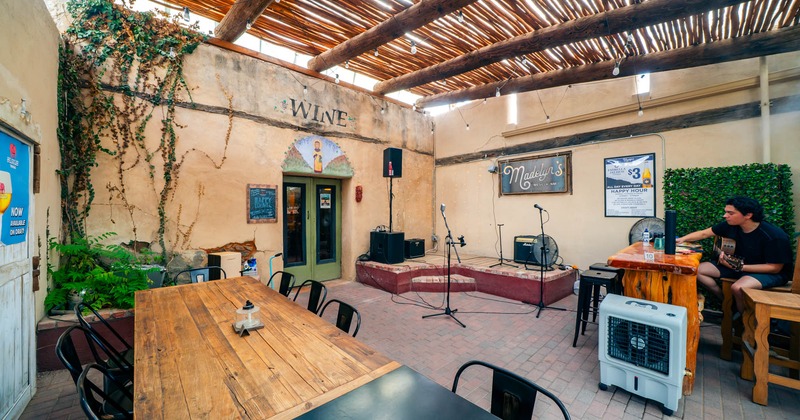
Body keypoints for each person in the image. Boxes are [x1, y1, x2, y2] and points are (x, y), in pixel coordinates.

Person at [676, 196, 793, 315]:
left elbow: (774, 268)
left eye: (730, 213)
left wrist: (739, 266)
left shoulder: (774, 236)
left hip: (768, 273)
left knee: (738, 287)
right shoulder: (730, 225)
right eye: (726, 212)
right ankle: (727, 302)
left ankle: (745, 321)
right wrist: (680, 240)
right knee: (697, 270)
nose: (725, 216)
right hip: (736, 265)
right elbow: (704, 233)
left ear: (748, 215)